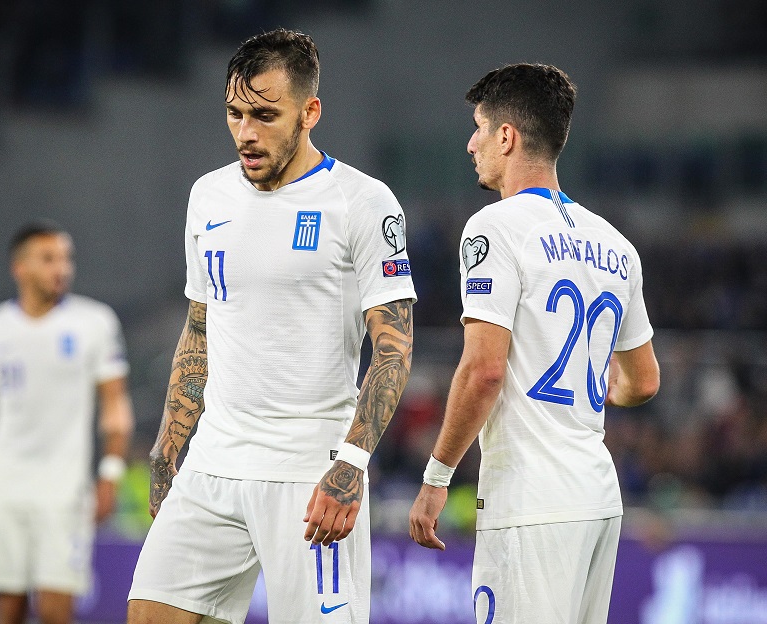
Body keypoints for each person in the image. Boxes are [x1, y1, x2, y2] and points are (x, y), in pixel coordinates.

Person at [127, 28, 416, 624]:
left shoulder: (362, 202)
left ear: (310, 112)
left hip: (309, 473)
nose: (246, 133)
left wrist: (351, 464)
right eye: (235, 114)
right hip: (213, 462)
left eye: (265, 115)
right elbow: (200, 329)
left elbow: (393, 349)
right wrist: (167, 444)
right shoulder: (208, 196)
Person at [408, 63, 660, 624]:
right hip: (597, 497)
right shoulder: (617, 245)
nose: (471, 143)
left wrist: (436, 479)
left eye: (478, 127)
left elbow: (484, 372)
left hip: (531, 502)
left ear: (507, 136)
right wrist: (597, 389)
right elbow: (644, 381)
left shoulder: (495, 228)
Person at [0, 220, 135, 624]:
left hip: (64, 490)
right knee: (8, 609)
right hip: (3, 487)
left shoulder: (95, 323)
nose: (62, 268)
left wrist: (111, 473)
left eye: (66, 258)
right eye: (48, 258)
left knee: (56, 609)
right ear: (20, 268)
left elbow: (115, 405)